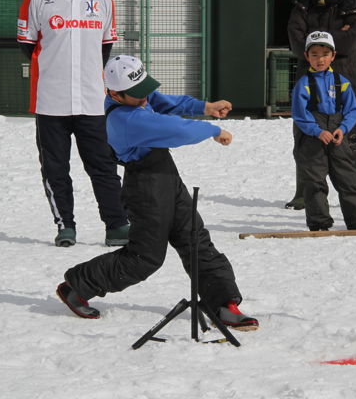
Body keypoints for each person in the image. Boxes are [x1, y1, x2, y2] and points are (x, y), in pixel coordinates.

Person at [56, 55, 259, 331]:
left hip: (165, 174)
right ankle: (77, 286)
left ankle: (224, 304)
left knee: (195, 239)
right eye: (137, 94)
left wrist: (205, 106)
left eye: (143, 89)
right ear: (113, 93)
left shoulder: (133, 97)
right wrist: (212, 129)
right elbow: (175, 129)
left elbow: (162, 101)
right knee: (145, 258)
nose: (144, 98)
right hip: (145, 186)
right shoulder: (127, 120)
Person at [17, 0, 130, 247]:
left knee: (103, 165)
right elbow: (27, 44)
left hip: (91, 99)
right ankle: (65, 225)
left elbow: (105, 44)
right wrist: (56, 69)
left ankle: (117, 225)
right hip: (50, 100)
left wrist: (87, 74)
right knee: (55, 168)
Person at [286, 0, 356, 211]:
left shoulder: (351, 8)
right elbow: (296, 43)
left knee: (354, 136)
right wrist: (334, 35)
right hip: (309, 82)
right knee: (306, 136)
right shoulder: (301, 6)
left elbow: (349, 43)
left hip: (345, 80)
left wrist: (316, 37)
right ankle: (303, 193)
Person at [291, 31, 356, 231]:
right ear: (307, 57)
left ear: (333, 55)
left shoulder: (342, 81)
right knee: (315, 181)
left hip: (338, 134)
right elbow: (300, 114)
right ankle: (319, 223)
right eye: (314, 54)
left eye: (324, 54)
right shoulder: (303, 84)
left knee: (348, 178)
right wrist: (317, 131)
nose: (319, 59)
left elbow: (352, 110)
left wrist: (343, 129)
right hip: (312, 138)